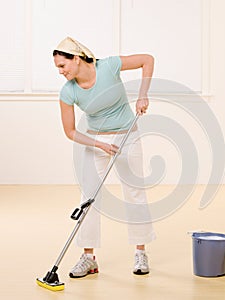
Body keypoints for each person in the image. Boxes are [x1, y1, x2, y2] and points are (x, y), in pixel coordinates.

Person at [52, 37, 156, 277]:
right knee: (88, 197)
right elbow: (70, 131)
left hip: (127, 135)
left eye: (62, 65)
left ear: (76, 59)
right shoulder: (68, 92)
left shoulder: (108, 66)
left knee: (134, 191)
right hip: (96, 140)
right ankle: (88, 257)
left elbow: (147, 60)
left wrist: (142, 95)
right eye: (58, 67)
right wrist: (99, 143)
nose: (60, 71)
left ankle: (140, 252)